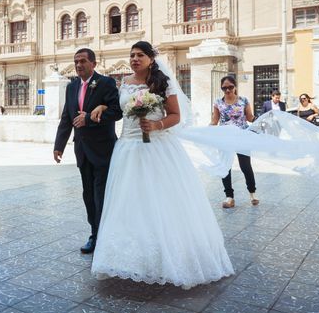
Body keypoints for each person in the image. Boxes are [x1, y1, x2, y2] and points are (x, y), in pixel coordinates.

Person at [89, 41, 233, 288]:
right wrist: (103, 105)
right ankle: (129, 258)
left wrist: (156, 125)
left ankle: (167, 256)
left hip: (157, 148)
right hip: (127, 148)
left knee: (160, 200)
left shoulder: (162, 83)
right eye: (132, 55)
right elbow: (118, 108)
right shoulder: (124, 83)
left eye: (140, 55)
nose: (135, 59)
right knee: (128, 202)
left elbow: (176, 115)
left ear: (151, 59)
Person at [53, 48, 122, 254]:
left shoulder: (106, 83)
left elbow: (117, 112)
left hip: (103, 150)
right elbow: (67, 117)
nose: (78, 65)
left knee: (101, 194)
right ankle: (95, 231)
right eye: (76, 61)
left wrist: (90, 118)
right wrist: (58, 145)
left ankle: (101, 236)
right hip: (82, 151)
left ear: (94, 63)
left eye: (83, 61)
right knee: (88, 195)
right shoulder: (71, 86)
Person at [211, 75, 259, 208]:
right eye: (224, 88)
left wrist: (261, 120)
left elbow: (250, 117)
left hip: (242, 138)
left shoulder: (243, 100)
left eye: (230, 87)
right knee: (225, 166)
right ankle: (229, 197)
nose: (227, 90)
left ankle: (252, 193)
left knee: (245, 166)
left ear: (235, 86)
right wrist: (206, 130)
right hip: (225, 138)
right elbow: (215, 121)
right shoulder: (218, 103)